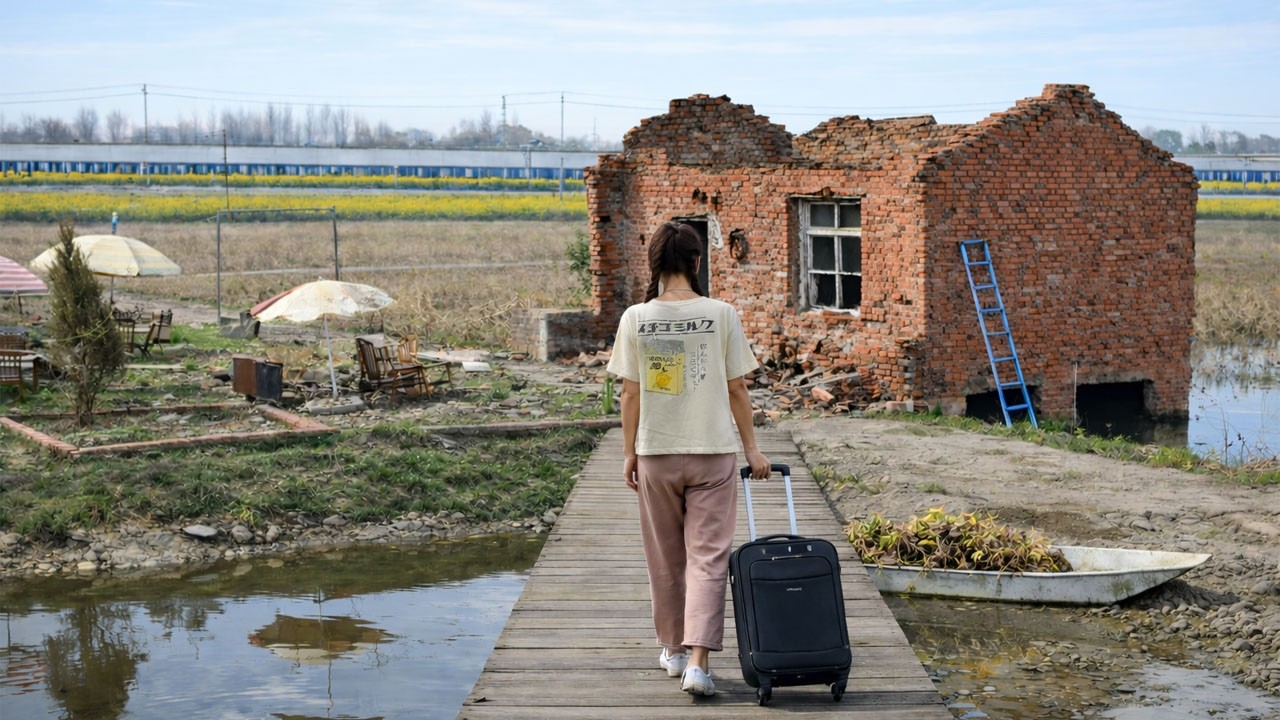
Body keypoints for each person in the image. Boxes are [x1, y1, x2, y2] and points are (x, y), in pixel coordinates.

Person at [606, 221, 771, 697]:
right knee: (708, 558)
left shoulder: (635, 318)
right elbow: (737, 387)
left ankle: (673, 649)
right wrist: (752, 449)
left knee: (665, 558)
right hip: (713, 454)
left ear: (654, 264)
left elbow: (630, 394)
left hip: (655, 454)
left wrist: (628, 453)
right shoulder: (722, 313)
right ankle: (698, 664)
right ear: (697, 262)